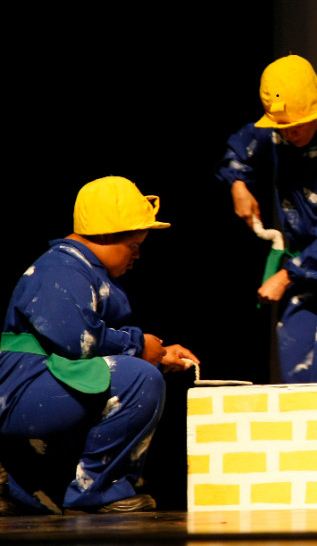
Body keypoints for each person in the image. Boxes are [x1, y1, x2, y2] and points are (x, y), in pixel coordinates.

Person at [0, 176, 199, 515]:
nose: (137, 255)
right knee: (138, 377)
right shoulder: (60, 266)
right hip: (19, 391)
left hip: (43, 384)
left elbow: (95, 347)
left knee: (139, 371)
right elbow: (76, 340)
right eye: (133, 246)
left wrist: (160, 354)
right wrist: (139, 347)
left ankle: (24, 483)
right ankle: (98, 489)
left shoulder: (84, 270)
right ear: (106, 236)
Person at [216, 54, 317, 383]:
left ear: (316, 110)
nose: (290, 134)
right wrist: (238, 184)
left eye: (297, 126)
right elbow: (239, 147)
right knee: (295, 362)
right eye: (283, 127)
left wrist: (285, 277)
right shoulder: (276, 132)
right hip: (303, 268)